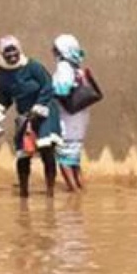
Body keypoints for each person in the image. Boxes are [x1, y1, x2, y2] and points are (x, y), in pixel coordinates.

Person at [0, 36, 62, 198]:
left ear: (19, 50)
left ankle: (50, 192)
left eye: (14, 50)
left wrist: (39, 106)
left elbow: (48, 86)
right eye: (7, 51)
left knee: (46, 149)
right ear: (2, 53)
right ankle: (24, 193)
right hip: (24, 114)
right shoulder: (2, 74)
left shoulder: (33, 67)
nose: (12, 55)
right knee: (23, 154)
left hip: (45, 110)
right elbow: (5, 96)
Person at [52, 34, 92, 192]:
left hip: (67, 117)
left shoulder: (64, 66)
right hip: (79, 116)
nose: (53, 51)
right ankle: (81, 188)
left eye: (55, 48)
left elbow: (62, 89)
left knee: (63, 157)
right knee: (74, 156)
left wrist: (46, 90)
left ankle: (74, 193)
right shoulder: (76, 67)